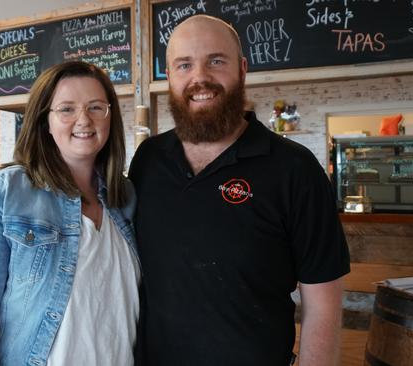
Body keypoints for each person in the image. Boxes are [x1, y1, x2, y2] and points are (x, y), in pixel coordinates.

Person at [129, 15, 350, 366]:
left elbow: (322, 303)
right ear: (169, 77)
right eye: (184, 65)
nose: (200, 77)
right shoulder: (147, 161)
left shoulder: (294, 169)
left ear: (242, 69)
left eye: (216, 61)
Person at [0, 61, 140, 366]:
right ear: (43, 121)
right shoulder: (6, 193)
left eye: (96, 107)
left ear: (110, 117)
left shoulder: (125, 198)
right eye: (66, 109)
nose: (83, 119)